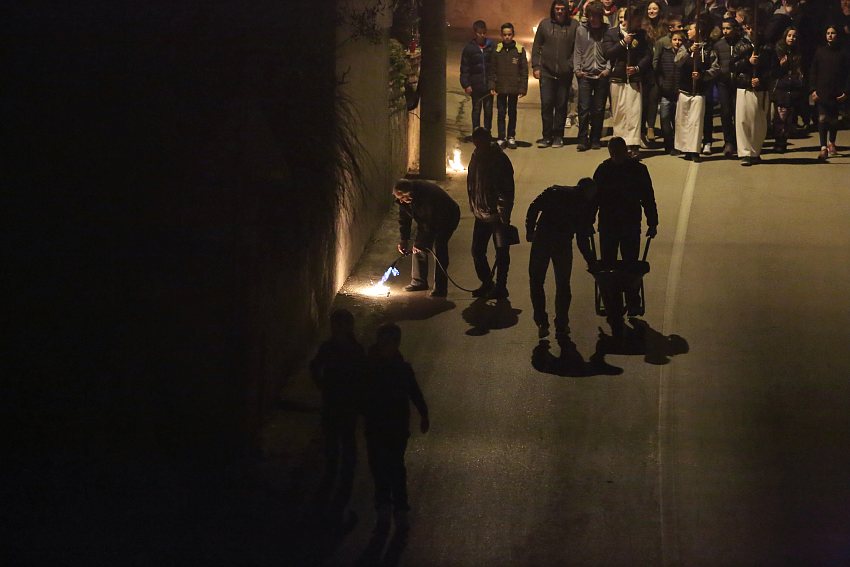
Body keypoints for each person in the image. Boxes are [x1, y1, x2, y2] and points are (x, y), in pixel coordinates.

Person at [363, 323, 429, 533]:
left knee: (396, 467)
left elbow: (414, 392)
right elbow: (358, 392)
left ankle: (399, 508)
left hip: (396, 427)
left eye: (392, 342)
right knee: (379, 467)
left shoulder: (402, 369)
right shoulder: (369, 368)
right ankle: (384, 505)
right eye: (385, 342)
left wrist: (424, 414)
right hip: (375, 426)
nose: (388, 346)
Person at [590, 137, 658, 336]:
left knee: (629, 265)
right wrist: (588, 221)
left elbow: (648, 197)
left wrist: (653, 222)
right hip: (611, 224)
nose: (616, 157)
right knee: (611, 266)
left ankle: (631, 301)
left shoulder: (635, 170)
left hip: (627, 224)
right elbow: (594, 199)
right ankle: (615, 303)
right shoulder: (605, 170)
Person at [310, 308, 366, 521]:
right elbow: (314, 367)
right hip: (335, 404)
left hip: (344, 404)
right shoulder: (338, 349)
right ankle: (335, 488)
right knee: (335, 446)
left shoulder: (351, 349)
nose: (340, 329)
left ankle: (338, 491)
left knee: (345, 444)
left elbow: (363, 375)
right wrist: (323, 386)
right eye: (337, 325)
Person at [525, 178, 597, 340]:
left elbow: (534, 207)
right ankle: (562, 324)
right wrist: (591, 261)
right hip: (562, 244)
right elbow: (582, 239)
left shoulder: (554, 191)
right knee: (563, 285)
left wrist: (530, 229)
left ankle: (542, 323)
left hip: (542, 240)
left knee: (536, 282)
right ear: (588, 191)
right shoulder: (584, 205)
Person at [467, 126, 515, 300]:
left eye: (480, 141)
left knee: (501, 253)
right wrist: (474, 205)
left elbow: (506, 190)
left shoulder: (499, 160)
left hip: (496, 215)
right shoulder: (475, 157)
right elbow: (472, 183)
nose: (478, 145)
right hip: (481, 213)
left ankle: (501, 287)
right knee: (477, 251)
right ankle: (487, 283)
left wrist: (503, 214)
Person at [393, 178, 461, 297]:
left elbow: (431, 222)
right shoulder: (404, 201)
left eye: (403, 198)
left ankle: (440, 288)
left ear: (410, 193)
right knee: (418, 247)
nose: (402, 201)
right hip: (426, 220)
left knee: (439, 247)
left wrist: (423, 243)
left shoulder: (427, 196)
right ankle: (419, 282)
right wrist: (404, 239)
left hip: (447, 217)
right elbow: (404, 220)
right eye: (400, 199)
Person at [604, 7, 652, 157]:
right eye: (637, 20)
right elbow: (608, 53)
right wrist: (623, 42)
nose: (639, 23)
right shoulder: (612, 33)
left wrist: (637, 68)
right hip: (617, 77)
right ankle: (619, 146)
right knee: (620, 113)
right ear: (628, 20)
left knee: (634, 112)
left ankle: (633, 145)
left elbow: (648, 55)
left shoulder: (641, 35)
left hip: (634, 79)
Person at [532, 0, 579, 148]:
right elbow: (536, 46)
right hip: (546, 72)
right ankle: (547, 136)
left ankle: (558, 136)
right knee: (547, 104)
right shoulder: (544, 24)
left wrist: (570, 65)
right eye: (557, 9)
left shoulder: (574, 26)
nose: (559, 11)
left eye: (562, 9)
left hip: (564, 74)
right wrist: (536, 66)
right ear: (553, 9)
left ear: (566, 10)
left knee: (561, 105)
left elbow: (577, 48)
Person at [733, 19, 777, 166]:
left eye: (754, 28)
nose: (751, 31)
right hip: (744, 87)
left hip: (760, 88)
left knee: (759, 122)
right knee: (743, 120)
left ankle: (755, 151)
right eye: (748, 28)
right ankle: (745, 153)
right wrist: (748, 62)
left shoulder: (767, 46)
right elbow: (733, 65)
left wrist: (761, 79)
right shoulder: (740, 45)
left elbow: (773, 69)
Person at [675, 19, 720, 162]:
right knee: (683, 121)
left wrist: (702, 75)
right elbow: (677, 61)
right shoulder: (685, 46)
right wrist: (689, 51)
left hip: (699, 90)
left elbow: (715, 68)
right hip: (685, 89)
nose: (688, 31)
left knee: (696, 122)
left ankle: (694, 149)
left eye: (691, 29)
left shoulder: (709, 49)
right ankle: (685, 148)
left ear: (699, 31)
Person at [574, 1, 612, 151]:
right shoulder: (581, 30)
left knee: (599, 109)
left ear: (600, 16)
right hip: (585, 75)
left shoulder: (607, 31)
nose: (593, 19)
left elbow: (610, 52)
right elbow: (578, 50)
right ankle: (583, 139)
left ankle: (595, 138)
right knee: (583, 108)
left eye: (595, 16)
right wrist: (577, 69)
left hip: (602, 75)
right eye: (590, 16)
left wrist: (608, 68)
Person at [809, 25, 850, 161]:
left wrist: (846, 91)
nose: (830, 35)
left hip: (837, 92)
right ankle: (823, 147)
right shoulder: (820, 51)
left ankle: (831, 142)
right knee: (822, 118)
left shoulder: (843, 53)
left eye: (833, 33)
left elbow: (847, 74)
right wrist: (813, 90)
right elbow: (813, 72)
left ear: (837, 35)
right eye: (828, 33)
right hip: (822, 92)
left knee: (833, 120)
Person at [488, 22, 529, 149]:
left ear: (513, 35)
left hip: (513, 88)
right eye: (505, 35)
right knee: (501, 113)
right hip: (500, 87)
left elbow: (524, 71)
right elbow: (492, 69)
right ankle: (501, 137)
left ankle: (511, 136)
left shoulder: (519, 50)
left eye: (509, 34)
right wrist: (492, 85)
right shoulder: (497, 49)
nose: (507, 37)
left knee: (512, 113)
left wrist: (523, 88)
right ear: (501, 35)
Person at [714, 17, 750, 157]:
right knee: (726, 112)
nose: (725, 31)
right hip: (723, 82)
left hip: (739, 82)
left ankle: (739, 141)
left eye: (728, 28)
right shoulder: (719, 45)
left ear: (735, 29)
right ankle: (728, 141)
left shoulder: (743, 44)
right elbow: (715, 63)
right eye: (723, 28)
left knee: (739, 113)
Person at [772, 26, 805, 152]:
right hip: (781, 87)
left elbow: (800, 70)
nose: (791, 38)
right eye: (789, 36)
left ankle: (783, 140)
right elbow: (773, 72)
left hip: (793, 87)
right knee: (780, 115)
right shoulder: (778, 50)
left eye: (794, 36)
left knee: (789, 117)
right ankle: (779, 141)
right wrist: (781, 65)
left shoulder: (798, 53)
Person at [460, 20, 495, 135]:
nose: (482, 35)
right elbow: (465, 68)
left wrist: (494, 83)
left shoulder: (491, 46)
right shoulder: (469, 49)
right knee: (476, 110)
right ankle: (476, 133)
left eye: (484, 33)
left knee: (488, 111)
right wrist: (466, 84)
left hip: (488, 86)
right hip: (475, 86)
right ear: (475, 33)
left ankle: (487, 133)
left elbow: (495, 66)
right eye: (480, 33)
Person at [656, 29, 687, 154]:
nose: (677, 42)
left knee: (677, 121)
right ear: (671, 41)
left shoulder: (685, 55)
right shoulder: (665, 53)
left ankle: (677, 145)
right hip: (666, 92)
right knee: (665, 119)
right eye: (675, 39)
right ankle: (668, 145)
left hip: (679, 93)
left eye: (680, 40)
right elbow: (658, 70)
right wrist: (662, 84)